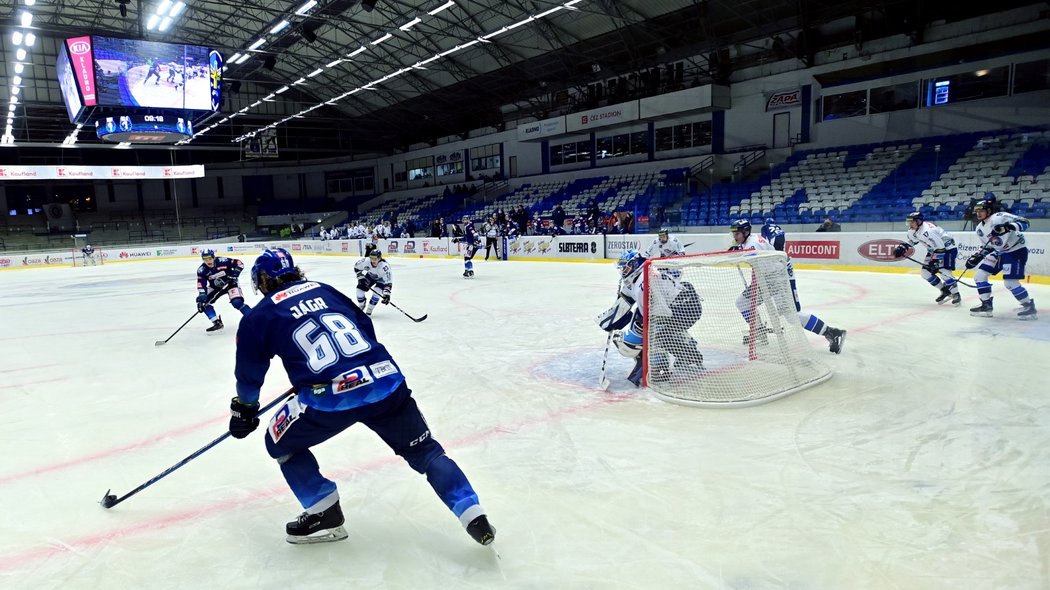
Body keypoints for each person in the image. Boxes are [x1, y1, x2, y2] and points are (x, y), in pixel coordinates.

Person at [229, 248, 495, 545]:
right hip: (385, 381)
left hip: (330, 399)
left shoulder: (260, 314)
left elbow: (249, 375)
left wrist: (244, 409)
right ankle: (474, 515)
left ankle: (323, 511)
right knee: (427, 452)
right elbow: (365, 327)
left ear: (263, 281)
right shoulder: (324, 289)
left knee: (277, 443)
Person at [728, 220, 846, 353]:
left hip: (780, 277)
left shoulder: (752, 245)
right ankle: (759, 332)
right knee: (743, 302)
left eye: (737, 233)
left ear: (745, 232)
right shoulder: (750, 240)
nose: (734, 237)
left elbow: (754, 260)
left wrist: (736, 253)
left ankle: (831, 332)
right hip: (768, 278)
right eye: (734, 233)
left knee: (791, 315)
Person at [596, 249, 704, 386]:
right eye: (622, 268)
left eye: (626, 267)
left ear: (635, 264)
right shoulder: (634, 278)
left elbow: (660, 313)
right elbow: (624, 302)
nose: (623, 271)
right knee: (654, 329)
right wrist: (610, 320)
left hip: (687, 306)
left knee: (658, 335)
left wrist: (645, 329)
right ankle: (686, 347)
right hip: (673, 306)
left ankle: (667, 365)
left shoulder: (646, 281)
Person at [964, 200, 1037, 319]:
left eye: (981, 211)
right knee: (979, 276)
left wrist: (1007, 227)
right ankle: (986, 305)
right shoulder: (979, 229)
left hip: (1015, 251)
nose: (978, 214)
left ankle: (1029, 307)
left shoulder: (1000, 217)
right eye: (977, 211)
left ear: (989, 210)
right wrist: (977, 256)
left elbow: (1025, 222)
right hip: (999, 253)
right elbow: (989, 246)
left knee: (1010, 283)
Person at [892, 212, 961, 306]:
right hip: (934, 250)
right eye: (908, 222)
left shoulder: (928, 231)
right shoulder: (912, 230)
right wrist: (903, 248)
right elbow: (913, 241)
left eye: (911, 222)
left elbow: (940, 248)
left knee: (945, 272)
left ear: (919, 221)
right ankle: (945, 291)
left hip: (948, 249)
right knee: (926, 273)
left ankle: (956, 293)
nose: (909, 224)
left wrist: (934, 262)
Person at [196, 249, 251, 334]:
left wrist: (235, 275)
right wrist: (202, 295)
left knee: (237, 302)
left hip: (231, 283)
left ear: (214, 257)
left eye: (210, 258)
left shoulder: (223, 261)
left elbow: (240, 263)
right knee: (203, 302)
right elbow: (201, 284)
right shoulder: (202, 270)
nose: (208, 261)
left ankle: (253, 319)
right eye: (205, 259)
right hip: (215, 287)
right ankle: (216, 323)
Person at [353, 248, 393, 316]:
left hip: (382, 279)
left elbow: (388, 282)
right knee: (359, 290)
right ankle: (362, 304)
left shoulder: (385, 267)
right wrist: (361, 278)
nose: (373, 260)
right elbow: (356, 268)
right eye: (371, 258)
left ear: (379, 258)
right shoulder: (365, 261)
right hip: (370, 276)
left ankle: (369, 309)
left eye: (375, 259)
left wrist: (387, 294)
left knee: (377, 292)